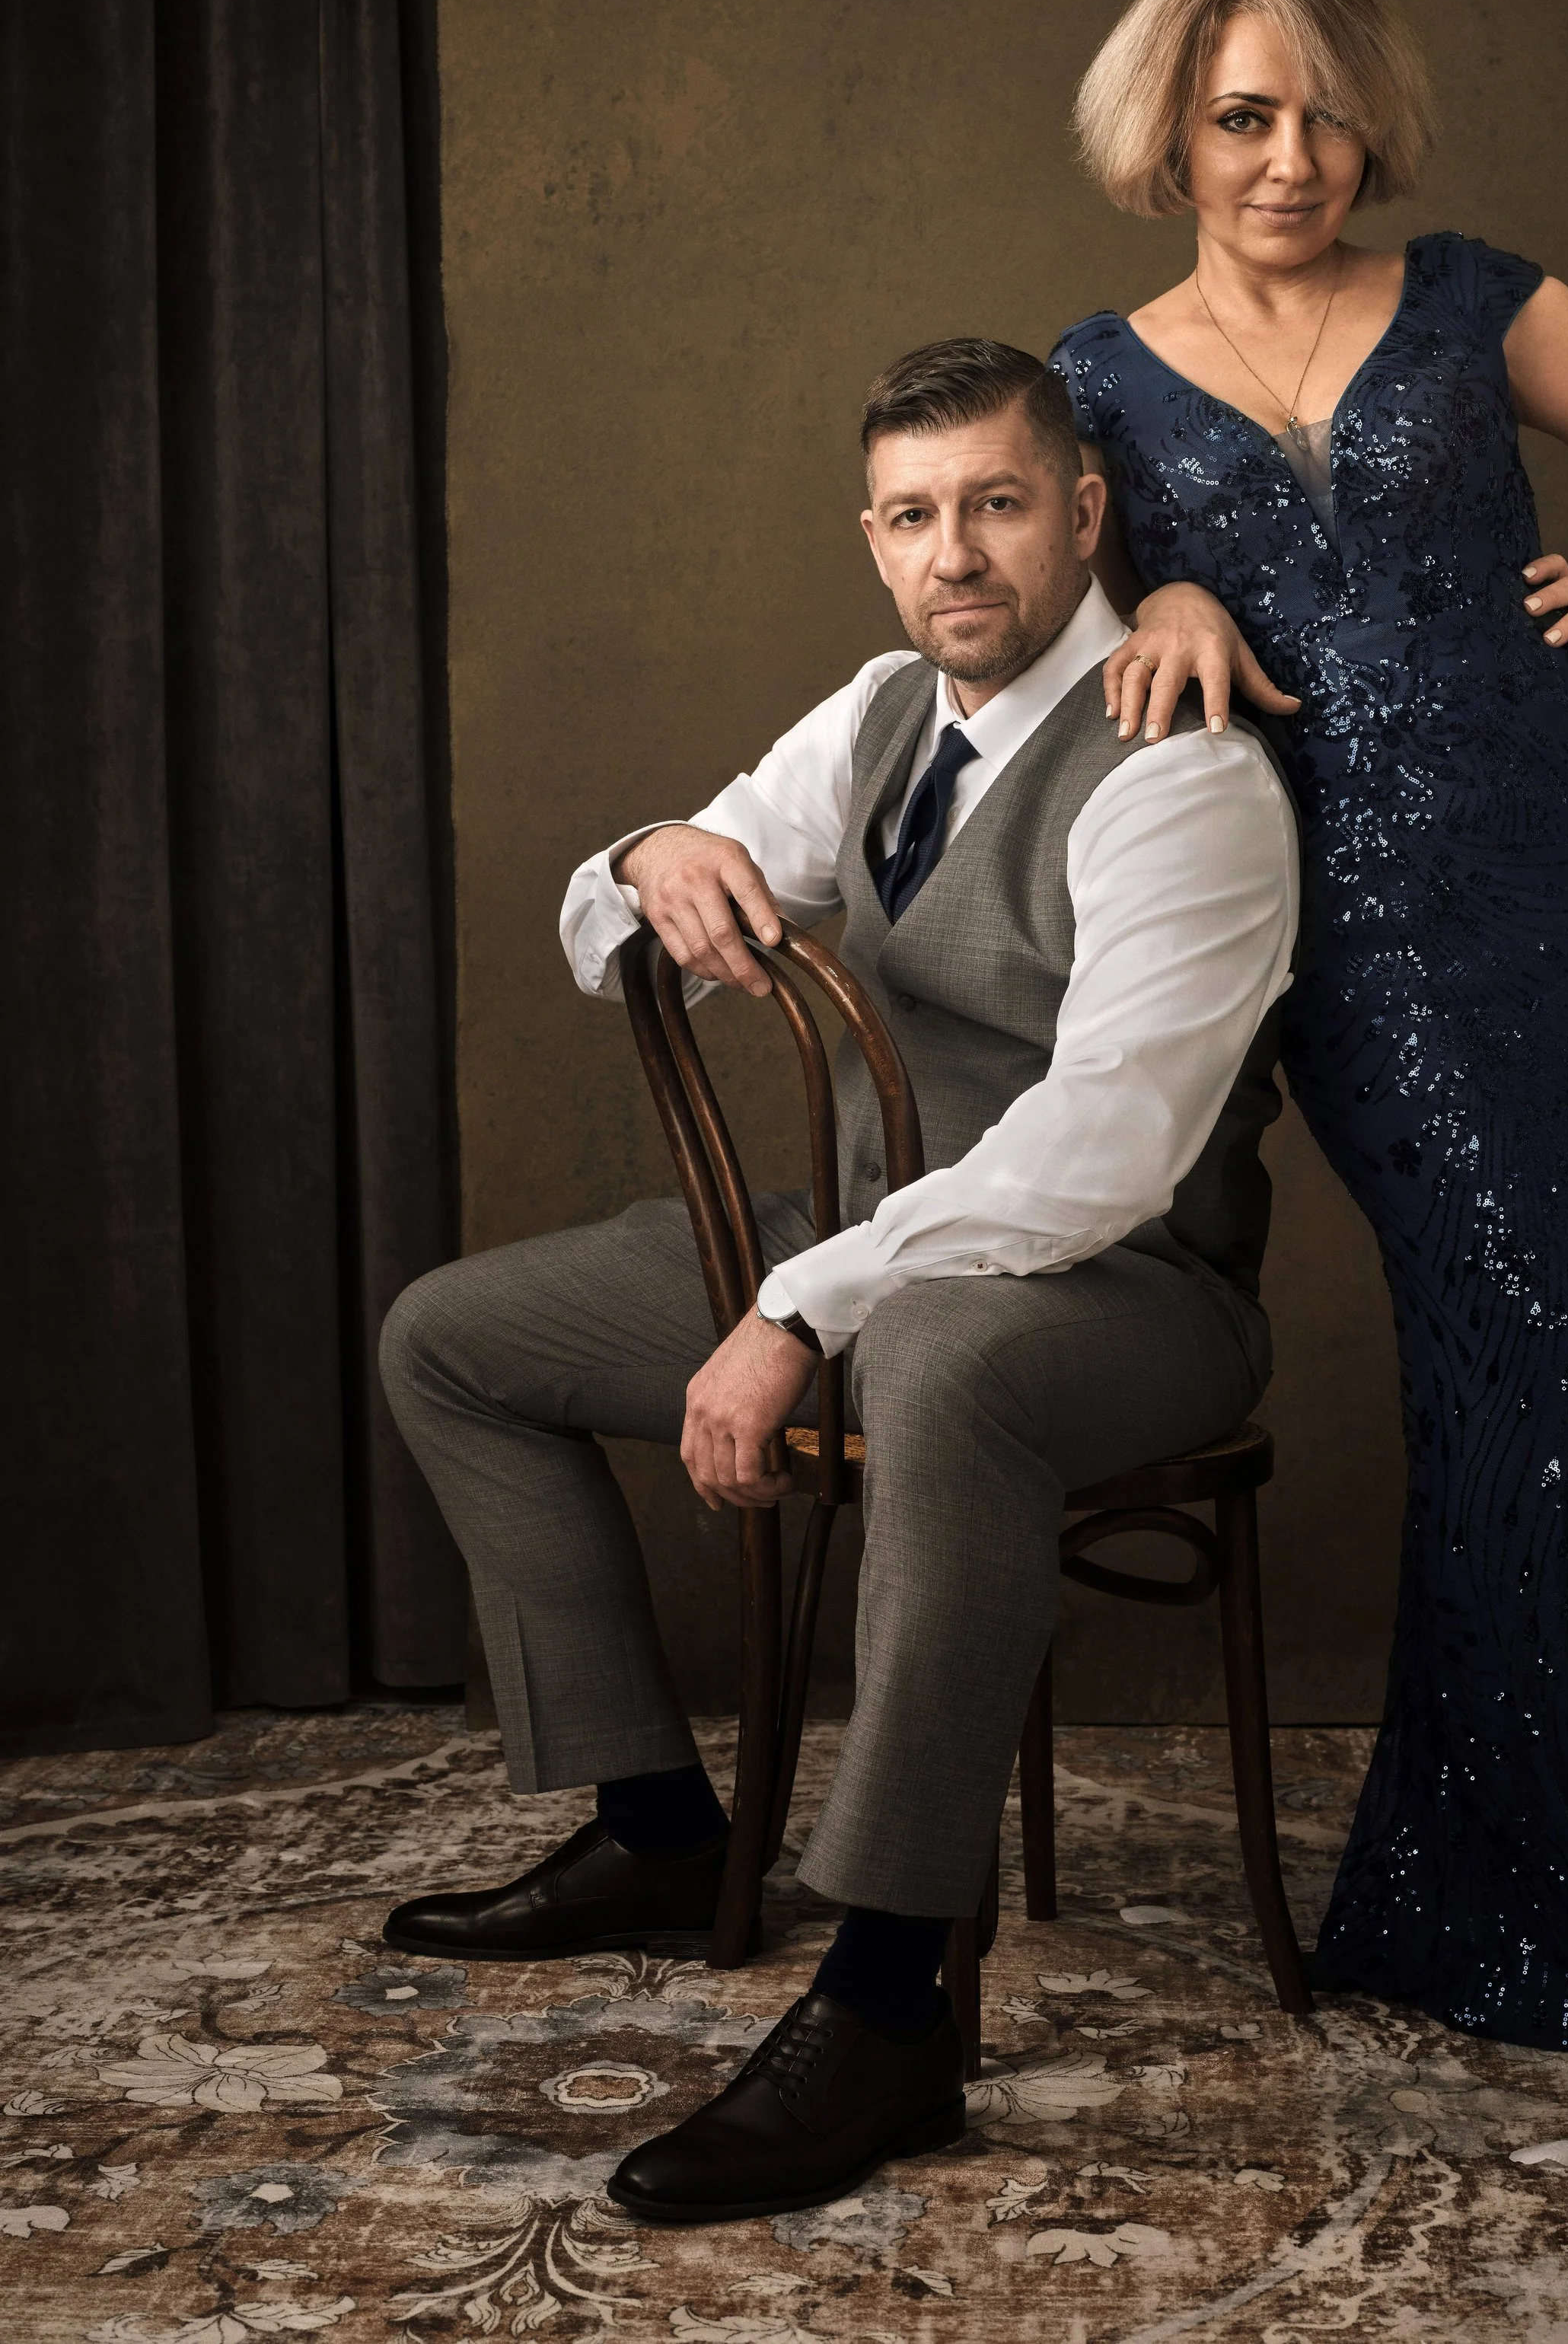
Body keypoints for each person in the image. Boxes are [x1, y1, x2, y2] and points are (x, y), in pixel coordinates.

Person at [377, 337, 1299, 2222]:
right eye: (910, 516)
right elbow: (603, 907)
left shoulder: (1179, 775)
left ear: (1080, 516)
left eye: (994, 503)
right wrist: (655, 852)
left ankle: (887, 2007)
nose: (953, 553)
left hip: (1124, 1294)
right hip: (882, 1246)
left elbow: (1106, 1148)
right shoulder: (886, 709)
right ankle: (649, 1824)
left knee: (948, 1357)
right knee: (451, 1338)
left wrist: (804, 1308)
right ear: (874, 542)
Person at [1047, 0, 1568, 2052]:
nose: (1290, 159)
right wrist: (1169, 573)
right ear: (1169, 130)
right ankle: (1507, 1885)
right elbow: (1041, 591)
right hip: (1358, 938)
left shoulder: (1467, 294)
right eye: (1241, 116)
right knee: (1525, 1353)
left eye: (1322, 113)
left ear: (1371, 118)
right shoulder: (1091, 376)